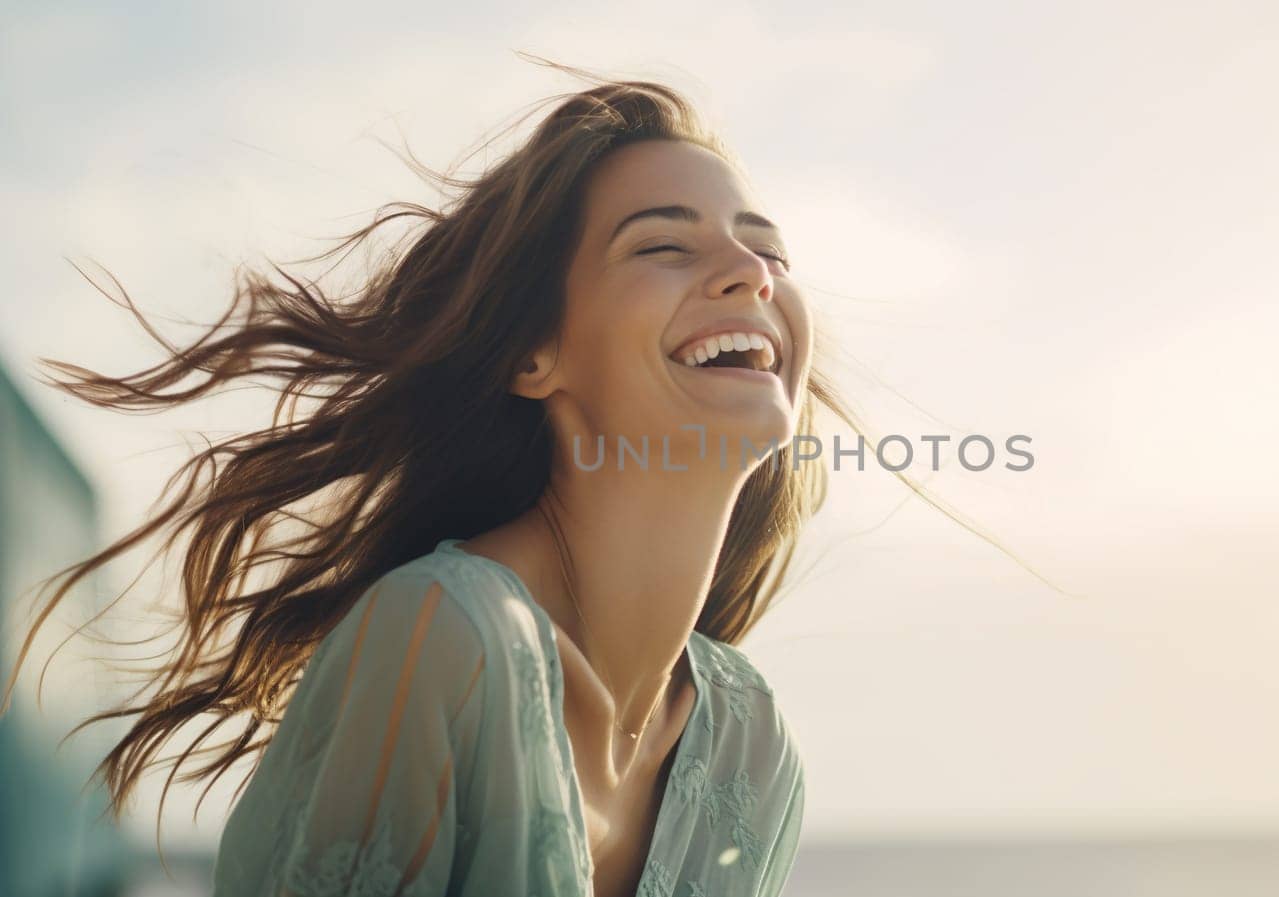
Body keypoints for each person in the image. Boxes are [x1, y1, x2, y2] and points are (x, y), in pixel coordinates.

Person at [2, 57, 1043, 897]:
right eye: (663, 247)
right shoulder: (439, 637)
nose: (750, 274)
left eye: (762, 248)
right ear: (530, 355)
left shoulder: (750, 743)